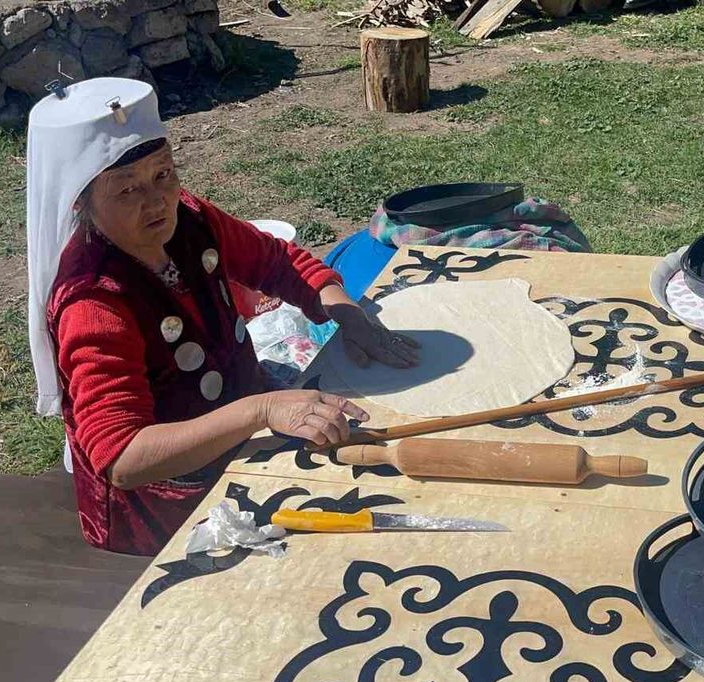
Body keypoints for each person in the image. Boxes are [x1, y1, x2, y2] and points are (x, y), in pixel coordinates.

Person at [26, 77, 418, 555]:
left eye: (163, 174)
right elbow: (124, 458)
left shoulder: (190, 220)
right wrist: (260, 410)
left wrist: (346, 313)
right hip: (170, 506)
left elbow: (276, 261)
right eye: (126, 190)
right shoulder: (95, 302)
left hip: (248, 441)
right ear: (80, 200)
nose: (156, 201)